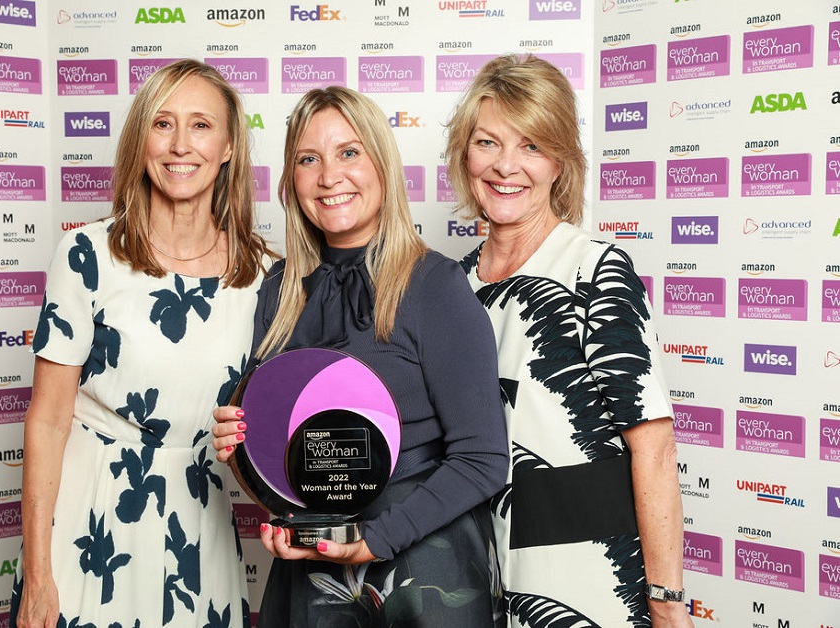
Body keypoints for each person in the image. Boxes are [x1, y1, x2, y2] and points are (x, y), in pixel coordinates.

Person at [212, 86, 509, 627]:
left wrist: (373, 540)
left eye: (349, 152)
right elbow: (289, 463)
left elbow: (482, 459)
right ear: (290, 179)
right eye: (309, 159)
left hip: (423, 578)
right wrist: (248, 462)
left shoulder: (433, 285)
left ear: (383, 166)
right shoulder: (279, 290)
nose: (329, 176)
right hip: (314, 579)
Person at [11, 59, 273, 628]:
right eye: (162, 123)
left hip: (198, 525)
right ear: (141, 140)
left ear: (229, 146)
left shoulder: (263, 276)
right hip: (91, 523)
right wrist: (36, 575)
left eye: (201, 125)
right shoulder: (87, 256)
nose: (181, 144)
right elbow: (48, 420)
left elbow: (276, 424)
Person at [444, 54, 694, 627]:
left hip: (583, 580)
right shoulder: (450, 287)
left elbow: (653, 449)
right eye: (488, 143)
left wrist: (666, 603)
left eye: (532, 145)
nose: (506, 166)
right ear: (465, 154)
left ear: (561, 161)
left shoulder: (595, 272)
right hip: (470, 576)